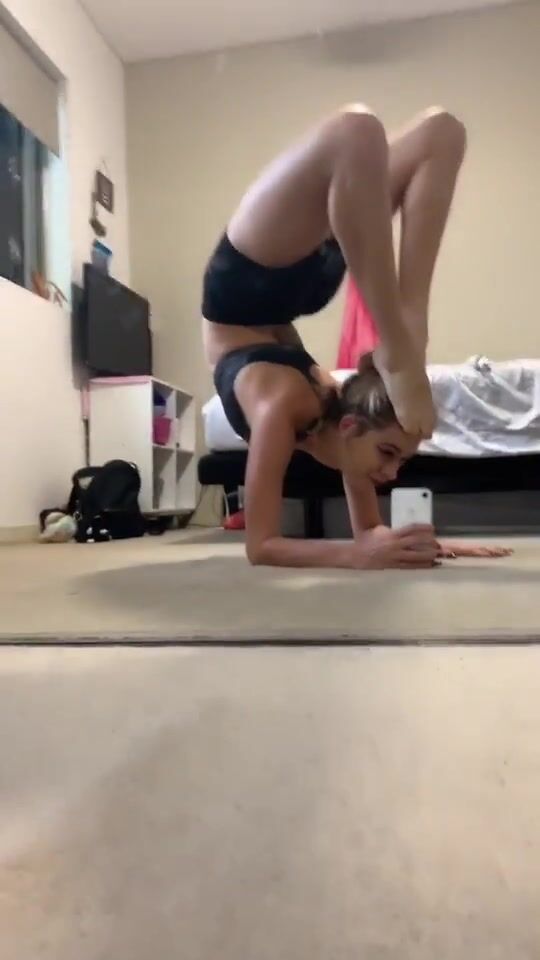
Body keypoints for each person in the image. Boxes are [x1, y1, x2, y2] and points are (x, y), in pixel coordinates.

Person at [202, 104, 512, 568]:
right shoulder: (339, 416)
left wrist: (393, 547)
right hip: (307, 278)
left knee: (357, 131)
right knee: (440, 134)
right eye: (393, 457)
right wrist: (366, 549)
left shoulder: (284, 408)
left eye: (392, 456)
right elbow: (354, 540)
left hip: (246, 281)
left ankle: (403, 336)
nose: (390, 474)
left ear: (349, 428)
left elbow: (263, 544)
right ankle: (405, 334)